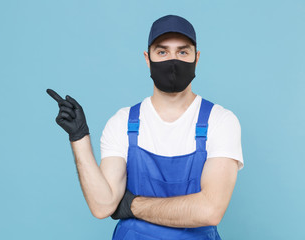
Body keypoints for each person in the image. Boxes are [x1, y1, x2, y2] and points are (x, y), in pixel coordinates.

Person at [47, 14, 243, 240]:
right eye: (162, 52)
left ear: (196, 58)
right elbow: (103, 205)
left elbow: (210, 211)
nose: (173, 60)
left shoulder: (220, 121)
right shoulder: (122, 122)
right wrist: (79, 137)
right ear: (147, 58)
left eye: (182, 51)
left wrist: (134, 205)